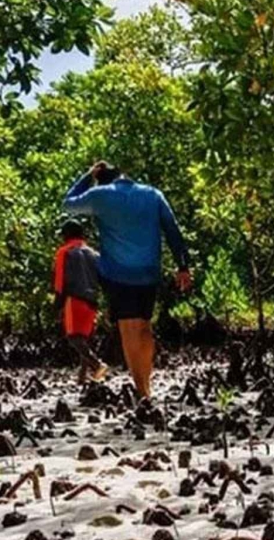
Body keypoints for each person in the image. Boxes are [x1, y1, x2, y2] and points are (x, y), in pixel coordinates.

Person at [62, 160, 193, 400]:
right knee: (144, 327)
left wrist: (88, 176)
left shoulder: (100, 195)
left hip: (117, 274)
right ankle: (146, 385)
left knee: (128, 330)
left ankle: (142, 391)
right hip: (149, 272)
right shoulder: (153, 194)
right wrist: (183, 265)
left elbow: (67, 205)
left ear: (103, 180)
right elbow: (173, 230)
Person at [52, 219, 108, 383]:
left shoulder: (65, 252)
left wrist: (57, 305)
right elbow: (103, 280)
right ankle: (83, 377)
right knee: (84, 338)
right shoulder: (94, 254)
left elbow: (60, 281)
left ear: (67, 235)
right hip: (92, 300)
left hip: (74, 299)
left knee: (74, 338)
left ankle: (97, 365)